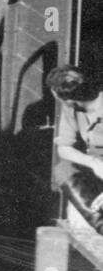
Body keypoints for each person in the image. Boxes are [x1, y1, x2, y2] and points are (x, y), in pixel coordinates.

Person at [47, 64, 103, 232]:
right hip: (98, 166)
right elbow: (63, 147)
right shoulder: (72, 108)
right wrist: (92, 162)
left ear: (69, 99)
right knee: (63, 169)